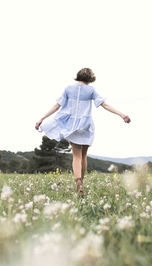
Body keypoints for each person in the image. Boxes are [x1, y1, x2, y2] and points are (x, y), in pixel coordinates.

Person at [35, 68, 131, 196]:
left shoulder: (68, 89)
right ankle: (82, 182)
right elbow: (105, 105)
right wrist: (122, 114)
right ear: (90, 78)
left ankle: (78, 181)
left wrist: (42, 118)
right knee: (84, 155)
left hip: (72, 126)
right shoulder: (91, 91)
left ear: (78, 76)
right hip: (85, 126)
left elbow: (57, 105)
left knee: (76, 156)